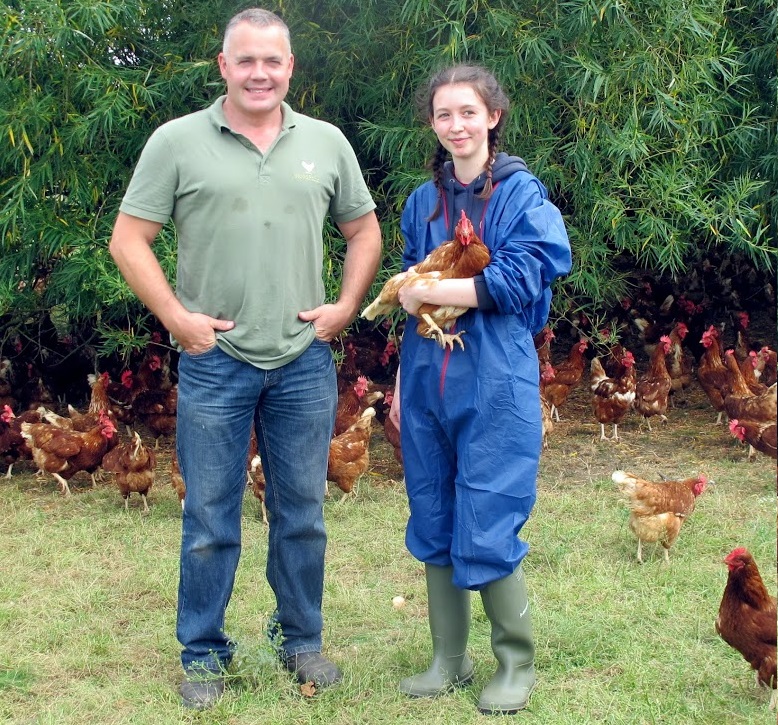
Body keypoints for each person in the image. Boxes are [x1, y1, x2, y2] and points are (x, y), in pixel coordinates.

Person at [109, 8, 381, 710]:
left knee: (302, 512)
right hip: (214, 360)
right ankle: (203, 651)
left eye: (273, 61)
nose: (260, 72)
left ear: (290, 68)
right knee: (209, 515)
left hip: (302, 361)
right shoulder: (177, 142)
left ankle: (301, 640)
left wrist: (346, 306)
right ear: (223, 66)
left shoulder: (324, 142)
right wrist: (176, 318)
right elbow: (129, 239)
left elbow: (364, 230)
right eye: (246, 60)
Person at [388, 64, 571, 715]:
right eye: (444, 114)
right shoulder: (421, 203)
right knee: (433, 514)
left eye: (468, 112)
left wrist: (429, 289)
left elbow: (519, 282)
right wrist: (400, 381)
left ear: (492, 116)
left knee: (489, 517)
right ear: (433, 124)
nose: (456, 124)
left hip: (496, 381)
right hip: (426, 376)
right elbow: (410, 303)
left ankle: (515, 660)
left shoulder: (523, 197)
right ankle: (448, 657)